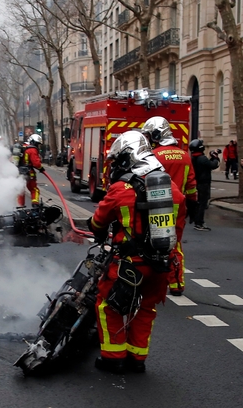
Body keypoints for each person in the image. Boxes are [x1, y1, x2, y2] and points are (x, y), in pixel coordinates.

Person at [88, 131, 186, 374]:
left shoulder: (121, 189)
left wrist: (98, 230)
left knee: (108, 306)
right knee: (146, 308)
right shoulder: (173, 190)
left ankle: (114, 358)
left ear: (127, 157)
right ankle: (137, 358)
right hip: (161, 264)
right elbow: (178, 230)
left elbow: (99, 221)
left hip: (129, 265)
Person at [141, 116, 197, 296]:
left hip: (156, 206)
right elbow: (191, 185)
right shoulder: (185, 156)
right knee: (175, 244)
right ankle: (177, 284)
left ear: (156, 135)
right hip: (179, 206)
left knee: (153, 242)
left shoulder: (154, 156)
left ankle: (154, 280)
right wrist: (193, 204)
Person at [189, 139, 220, 231]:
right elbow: (213, 165)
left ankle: (196, 220)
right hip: (203, 184)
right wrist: (215, 157)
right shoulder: (202, 158)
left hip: (197, 182)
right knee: (202, 204)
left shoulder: (194, 158)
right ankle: (199, 223)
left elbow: (207, 165)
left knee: (198, 203)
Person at [17, 134, 45, 208]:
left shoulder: (23, 147)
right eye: (37, 144)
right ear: (33, 142)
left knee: (20, 190)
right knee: (34, 189)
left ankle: (20, 206)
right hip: (29, 173)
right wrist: (41, 168)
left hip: (19, 172)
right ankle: (35, 204)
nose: (38, 146)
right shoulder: (32, 149)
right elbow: (36, 163)